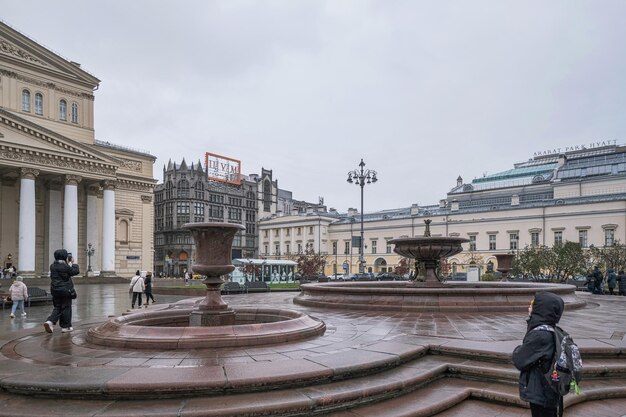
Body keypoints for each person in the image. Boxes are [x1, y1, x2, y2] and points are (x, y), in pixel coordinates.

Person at [513, 291, 565, 417]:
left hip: (541, 391)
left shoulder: (540, 335)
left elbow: (519, 360)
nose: (529, 308)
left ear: (541, 309)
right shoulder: (553, 330)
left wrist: (518, 349)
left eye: (532, 305)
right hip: (550, 388)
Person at [44, 249, 79, 333]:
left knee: (58, 307)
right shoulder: (65, 267)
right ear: (64, 256)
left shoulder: (53, 266)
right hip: (65, 290)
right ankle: (65, 326)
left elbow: (63, 270)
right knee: (66, 308)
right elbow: (75, 271)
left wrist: (67, 262)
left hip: (55, 290)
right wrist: (73, 263)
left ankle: (50, 322)